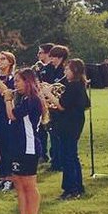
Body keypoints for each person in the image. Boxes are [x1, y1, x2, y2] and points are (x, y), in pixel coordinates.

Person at [1, 68, 46, 214]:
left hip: (29, 147)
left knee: (29, 184)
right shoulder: (23, 99)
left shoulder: (32, 100)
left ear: (27, 81)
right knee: (18, 183)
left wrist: (7, 100)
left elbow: (12, 115)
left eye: (18, 81)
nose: (15, 84)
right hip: (17, 146)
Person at [46, 58, 89, 200]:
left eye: (67, 69)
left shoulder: (73, 86)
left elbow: (62, 105)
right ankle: (78, 186)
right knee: (72, 155)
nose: (65, 72)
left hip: (69, 124)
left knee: (68, 157)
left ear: (74, 71)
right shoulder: (78, 85)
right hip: (74, 122)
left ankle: (71, 188)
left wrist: (48, 93)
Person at [0, 51, 18, 192]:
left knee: (8, 147)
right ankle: (0, 176)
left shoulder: (12, 78)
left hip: (7, 115)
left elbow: (6, 92)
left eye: (3, 59)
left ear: (10, 62)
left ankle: (10, 177)